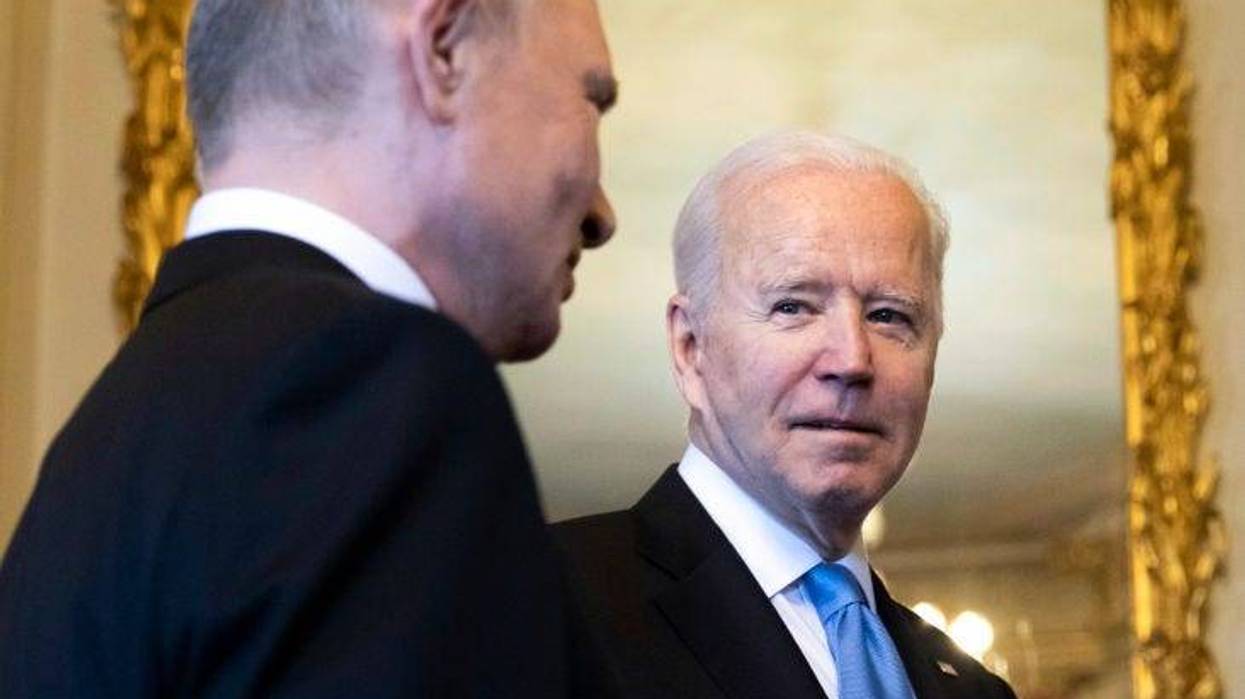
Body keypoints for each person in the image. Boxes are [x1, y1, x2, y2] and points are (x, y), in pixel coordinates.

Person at [0, 0, 618, 696]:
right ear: (445, 52)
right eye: (593, 99)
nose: (602, 214)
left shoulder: (109, 432)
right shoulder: (375, 379)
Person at [555, 132, 1017, 698]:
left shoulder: (974, 692)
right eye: (792, 306)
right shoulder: (538, 601)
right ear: (690, 346)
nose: (851, 360)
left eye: (890, 316)